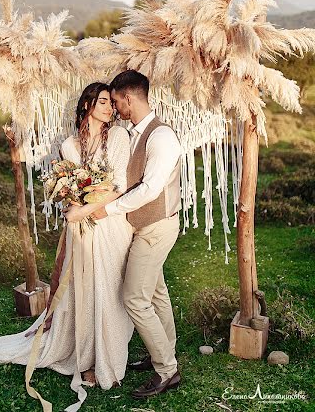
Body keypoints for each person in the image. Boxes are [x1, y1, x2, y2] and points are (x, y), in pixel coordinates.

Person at [0, 82, 134, 412]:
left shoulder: (120, 138)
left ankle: (105, 357)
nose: (110, 108)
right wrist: (73, 204)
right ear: (87, 105)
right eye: (104, 102)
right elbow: (70, 188)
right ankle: (79, 348)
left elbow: (119, 184)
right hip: (81, 227)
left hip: (109, 224)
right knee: (80, 290)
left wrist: (82, 209)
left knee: (107, 289)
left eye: (111, 103)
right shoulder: (68, 145)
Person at [65, 70, 181, 399]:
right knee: (156, 294)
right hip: (142, 226)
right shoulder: (134, 133)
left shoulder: (161, 138)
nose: (115, 108)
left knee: (133, 298)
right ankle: (165, 351)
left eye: (116, 101)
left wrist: (107, 210)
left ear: (128, 98)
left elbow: (149, 189)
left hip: (156, 226)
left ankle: (167, 370)